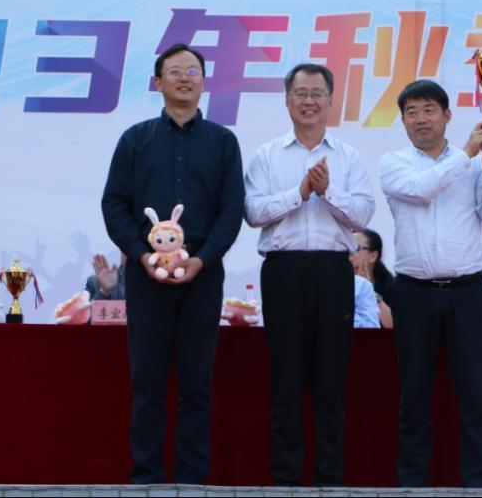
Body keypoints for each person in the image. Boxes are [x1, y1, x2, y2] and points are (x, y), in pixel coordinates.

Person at [101, 43, 245, 485]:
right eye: (176, 71)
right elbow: (114, 205)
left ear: (204, 82)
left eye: (193, 71)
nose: (185, 78)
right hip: (147, 277)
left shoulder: (223, 142)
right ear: (158, 82)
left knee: (197, 385)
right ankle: (145, 478)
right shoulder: (135, 139)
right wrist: (143, 256)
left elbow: (231, 210)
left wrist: (202, 259)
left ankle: (192, 480)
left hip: (202, 275)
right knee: (147, 383)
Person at [244, 63, 375, 487]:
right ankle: (285, 481)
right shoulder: (267, 155)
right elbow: (253, 211)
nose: (308, 101)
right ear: (287, 100)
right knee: (286, 381)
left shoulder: (348, 157)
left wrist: (327, 191)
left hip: (332, 272)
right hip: (282, 272)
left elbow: (362, 214)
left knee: (331, 382)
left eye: (317, 94)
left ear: (331, 101)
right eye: (300, 93)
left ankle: (329, 481)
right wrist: (299, 193)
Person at [379, 79, 482, 488]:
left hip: (468, 292)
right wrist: (467, 155)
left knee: (475, 395)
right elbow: (421, 190)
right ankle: (411, 484)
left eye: (429, 110)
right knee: (414, 396)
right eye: (412, 112)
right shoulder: (394, 163)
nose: (421, 119)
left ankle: (478, 483)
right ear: (403, 121)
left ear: (447, 115)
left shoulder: (474, 163)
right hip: (413, 293)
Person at [351, 228, 393, 328]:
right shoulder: (339, 281)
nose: (349, 252)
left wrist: (368, 291)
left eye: (356, 248)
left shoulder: (392, 286)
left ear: (373, 256)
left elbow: (392, 325)